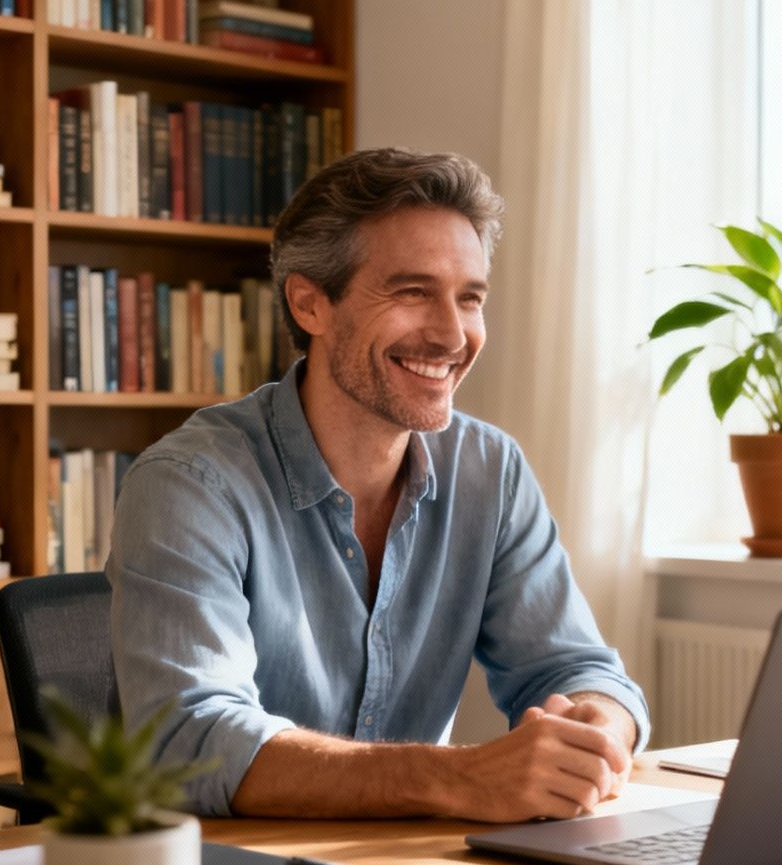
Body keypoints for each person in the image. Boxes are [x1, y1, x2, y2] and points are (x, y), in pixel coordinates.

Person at [110, 147, 649, 822]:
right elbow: (193, 743)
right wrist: (458, 777)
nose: (453, 335)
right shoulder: (190, 484)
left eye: (470, 298)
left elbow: (577, 668)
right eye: (413, 292)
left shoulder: (490, 471)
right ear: (310, 304)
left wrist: (595, 732)